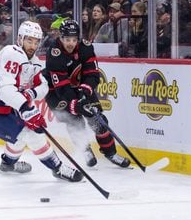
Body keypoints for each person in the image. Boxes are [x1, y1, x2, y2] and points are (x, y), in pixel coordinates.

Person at [0, 20, 83, 182]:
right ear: (20, 39)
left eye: (36, 41)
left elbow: (43, 86)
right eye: (29, 40)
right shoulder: (12, 53)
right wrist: (26, 108)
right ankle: (58, 168)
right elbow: (5, 89)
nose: (32, 45)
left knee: (21, 135)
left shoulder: (34, 62)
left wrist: (30, 94)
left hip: (5, 108)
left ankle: (8, 164)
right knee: (31, 134)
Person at [42, 19, 131, 168]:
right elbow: (62, 85)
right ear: (61, 38)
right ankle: (85, 149)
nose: (70, 43)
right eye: (67, 39)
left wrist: (85, 90)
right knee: (75, 121)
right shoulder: (54, 52)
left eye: (74, 39)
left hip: (80, 87)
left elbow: (93, 74)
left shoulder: (86, 48)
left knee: (99, 121)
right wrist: (76, 104)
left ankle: (111, 153)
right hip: (56, 92)